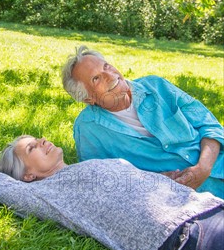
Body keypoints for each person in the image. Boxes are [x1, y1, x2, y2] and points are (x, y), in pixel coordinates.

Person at [0, 135, 224, 250]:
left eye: (37, 138)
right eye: (32, 147)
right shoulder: (44, 193)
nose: (43, 140)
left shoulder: (85, 165)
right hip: (183, 235)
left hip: (207, 206)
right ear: (27, 175)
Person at [61, 46, 224, 198]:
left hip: (218, 163)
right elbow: (100, 179)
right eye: (96, 78)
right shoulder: (88, 129)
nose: (110, 76)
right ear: (88, 98)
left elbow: (208, 124)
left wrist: (204, 167)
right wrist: (153, 180)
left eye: (106, 67)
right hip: (187, 200)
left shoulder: (156, 86)